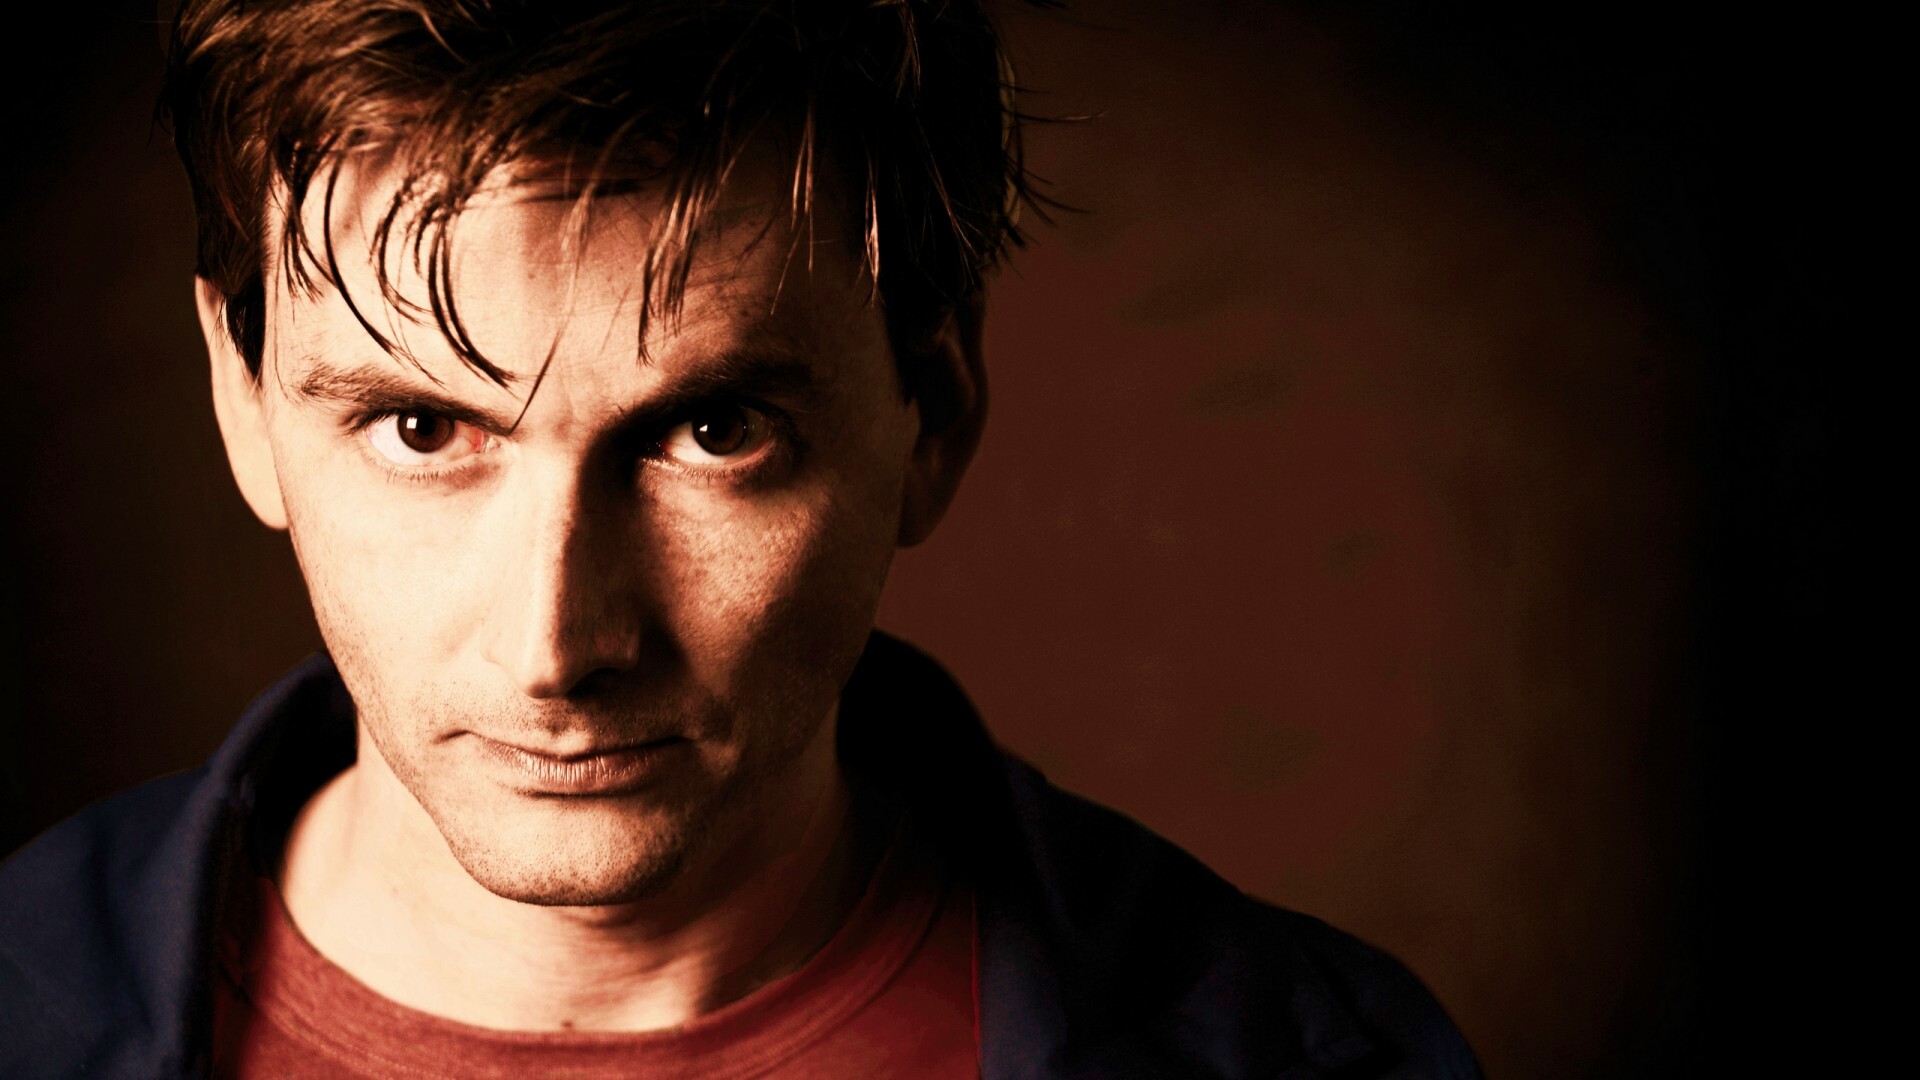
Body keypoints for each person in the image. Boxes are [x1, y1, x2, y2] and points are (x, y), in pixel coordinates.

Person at [0, 2, 1480, 1077]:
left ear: (933, 415)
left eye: (713, 433)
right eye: (422, 429)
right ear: (243, 400)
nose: (555, 647)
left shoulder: (1303, 1053)